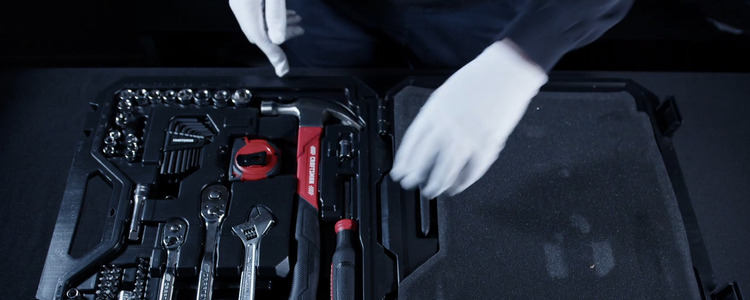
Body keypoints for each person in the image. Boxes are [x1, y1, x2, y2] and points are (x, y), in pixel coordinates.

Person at [228, 0, 635, 198]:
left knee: (460, 152)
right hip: (327, 12)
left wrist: (523, 55)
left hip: (483, 17)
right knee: (330, 84)